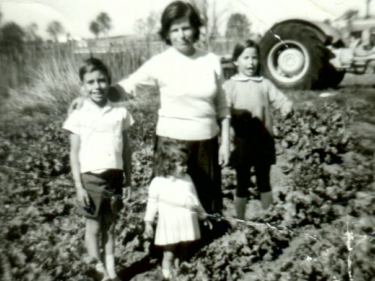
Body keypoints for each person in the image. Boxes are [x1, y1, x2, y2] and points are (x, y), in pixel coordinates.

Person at [106, 0, 230, 215]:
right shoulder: (160, 62)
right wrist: (96, 96)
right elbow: (131, 85)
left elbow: (222, 105)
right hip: (171, 145)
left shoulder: (210, 60)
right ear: (167, 33)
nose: (181, 35)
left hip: (206, 144)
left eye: (186, 28)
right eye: (175, 30)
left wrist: (226, 141)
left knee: (205, 210)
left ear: (195, 28)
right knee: (172, 212)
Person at [63, 58, 134, 281]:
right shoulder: (78, 114)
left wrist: (129, 180)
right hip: (90, 178)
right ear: (83, 86)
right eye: (91, 82)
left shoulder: (120, 113)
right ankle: (98, 271)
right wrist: (78, 187)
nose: (97, 87)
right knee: (93, 227)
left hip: (115, 177)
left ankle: (111, 269)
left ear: (109, 82)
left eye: (102, 81)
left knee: (111, 226)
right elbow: (74, 153)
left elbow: (127, 150)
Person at [224, 40, 293, 220]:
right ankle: (240, 220)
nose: (251, 62)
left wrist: (286, 107)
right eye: (245, 57)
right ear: (235, 62)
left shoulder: (264, 84)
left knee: (264, 181)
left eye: (254, 58)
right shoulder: (230, 86)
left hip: (263, 140)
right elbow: (223, 110)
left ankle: (268, 218)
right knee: (242, 181)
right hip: (241, 141)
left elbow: (280, 99)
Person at [143, 138, 209, 280]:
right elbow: (152, 203)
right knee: (169, 252)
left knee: (185, 250)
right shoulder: (158, 182)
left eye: (186, 163)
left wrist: (203, 216)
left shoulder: (187, 178)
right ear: (168, 165)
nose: (185, 167)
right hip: (170, 223)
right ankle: (167, 275)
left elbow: (194, 200)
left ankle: (180, 273)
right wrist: (148, 222)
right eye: (181, 164)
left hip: (186, 221)